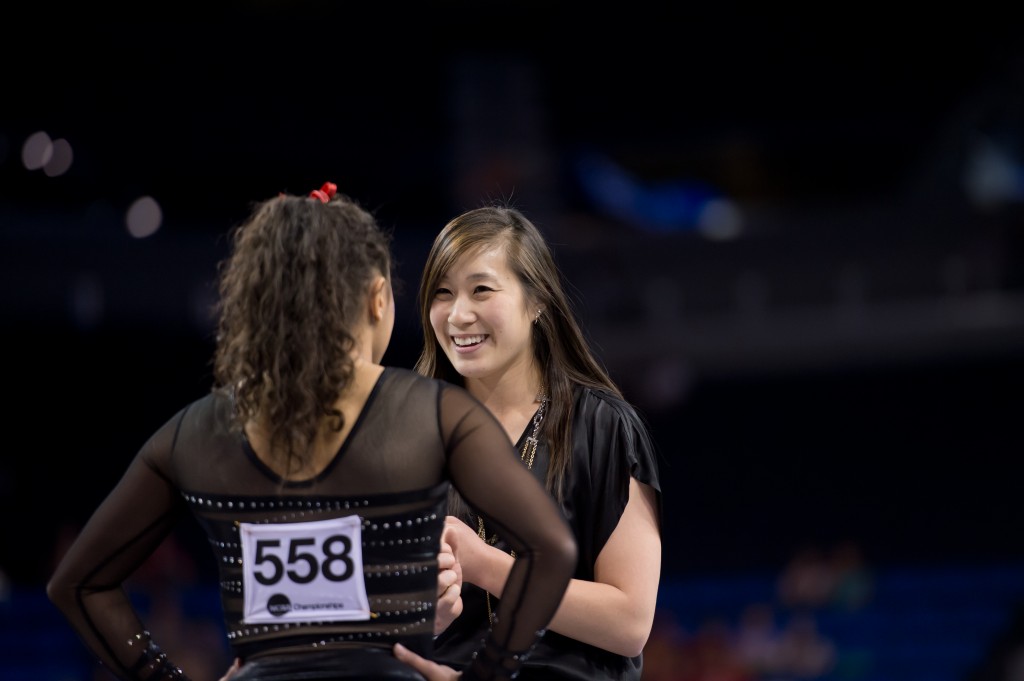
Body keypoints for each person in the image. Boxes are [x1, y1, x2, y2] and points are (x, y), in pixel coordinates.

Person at [47, 183, 577, 681]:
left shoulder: (195, 431)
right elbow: (550, 549)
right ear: (376, 298)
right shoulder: (432, 412)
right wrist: (488, 673)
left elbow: (79, 583)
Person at [395, 204, 663, 680]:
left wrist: (487, 567)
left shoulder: (602, 427)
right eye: (442, 293)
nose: (458, 314)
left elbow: (630, 622)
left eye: (481, 289)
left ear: (537, 301)